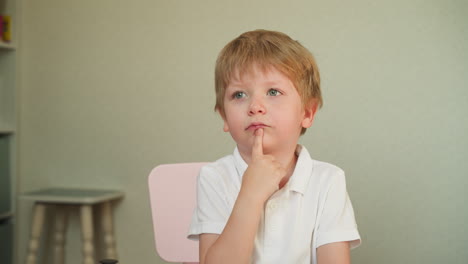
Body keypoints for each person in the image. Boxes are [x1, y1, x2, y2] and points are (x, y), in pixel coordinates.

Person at [188, 29, 361, 264]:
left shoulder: (328, 180)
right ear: (225, 118)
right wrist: (250, 195)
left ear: (307, 113)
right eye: (239, 94)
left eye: (273, 92)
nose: (255, 106)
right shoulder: (214, 178)